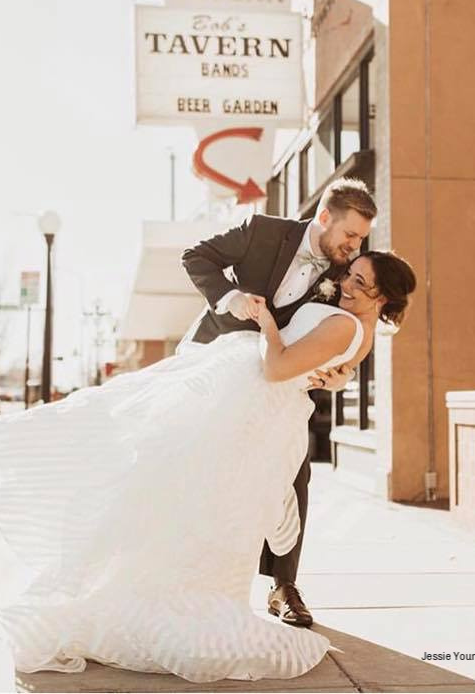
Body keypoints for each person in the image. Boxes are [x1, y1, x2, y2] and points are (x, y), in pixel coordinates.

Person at [0, 248, 416, 683]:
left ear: (384, 298)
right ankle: (149, 593)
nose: (346, 285)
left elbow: (279, 369)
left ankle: (170, 602)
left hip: (250, 405)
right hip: (246, 401)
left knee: (180, 489)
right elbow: (328, 367)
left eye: (361, 283)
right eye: (350, 275)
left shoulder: (345, 327)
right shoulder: (356, 325)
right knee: (176, 488)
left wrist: (266, 325)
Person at [180, 177, 376, 627]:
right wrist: (230, 298)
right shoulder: (263, 230)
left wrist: (342, 377)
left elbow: (349, 330)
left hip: (275, 381)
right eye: (350, 235)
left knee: (294, 468)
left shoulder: (341, 272)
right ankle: (185, 570)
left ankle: (283, 585)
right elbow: (197, 257)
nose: (354, 246)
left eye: (361, 238)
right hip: (216, 363)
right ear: (324, 218)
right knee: (192, 461)